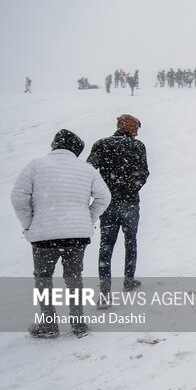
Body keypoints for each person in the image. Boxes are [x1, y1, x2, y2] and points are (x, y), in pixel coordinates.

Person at [11, 129, 111, 338]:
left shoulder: (35, 165)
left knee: (43, 279)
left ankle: (49, 325)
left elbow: (19, 197)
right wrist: (88, 219)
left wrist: (29, 223)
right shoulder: (86, 169)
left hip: (44, 236)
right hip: (76, 236)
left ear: (54, 145)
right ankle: (78, 324)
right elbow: (104, 197)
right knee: (74, 278)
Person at [87, 115, 149, 304]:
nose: (137, 132)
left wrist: (104, 190)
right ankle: (129, 279)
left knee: (106, 246)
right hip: (130, 202)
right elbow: (144, 173)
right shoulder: (137, 146)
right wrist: (131, 188)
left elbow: (88, 170)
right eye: (136, 128)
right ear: (129, 128)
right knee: (130, 242)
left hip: (107, 203)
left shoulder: (101, 144)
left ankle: (105, 290)